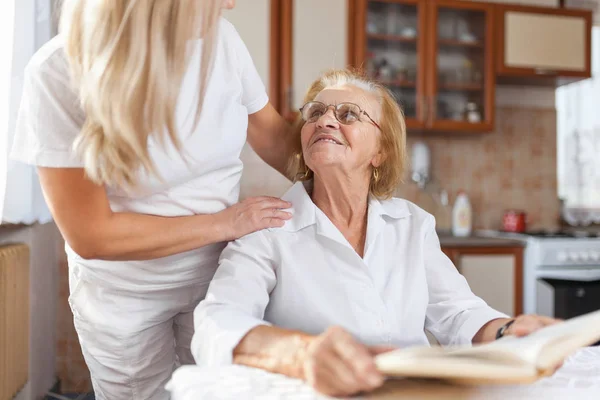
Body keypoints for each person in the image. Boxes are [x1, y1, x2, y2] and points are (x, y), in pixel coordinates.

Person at [191, 69, 561, 397]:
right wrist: (300, 354)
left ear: (380, 152)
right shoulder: (266, 226)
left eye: (348, 114)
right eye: (315, 113)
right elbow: (217, 323)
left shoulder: (413, 225)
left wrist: (509, 330)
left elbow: (459, 314)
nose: (325, 121)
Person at [10, 1, 294, 399]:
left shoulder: (222, 41)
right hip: (125, 300)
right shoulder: (60, 72)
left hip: (220, 279)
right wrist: (228, 222)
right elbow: (92, 235)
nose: (231, 4)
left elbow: (275, 138)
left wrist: (344, 169)